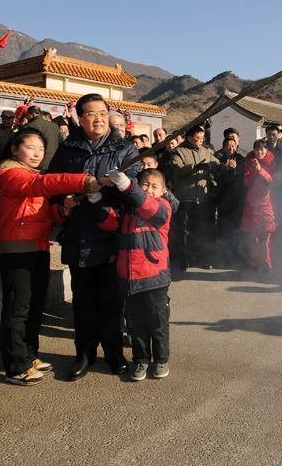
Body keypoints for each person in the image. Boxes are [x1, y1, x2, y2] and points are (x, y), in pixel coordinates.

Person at [0, 129, 100, 386]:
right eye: (30, 147)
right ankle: (16, 366)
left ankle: (29, 355)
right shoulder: (8, 174)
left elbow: (48, 215)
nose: (37, 153)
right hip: (16, 249)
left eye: (41, 149)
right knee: (18, 309)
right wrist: (83, 181)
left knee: (33, 307)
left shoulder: (29, 174)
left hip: (38, 246)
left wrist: (63, 208)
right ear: (15, 149)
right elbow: (41, 185)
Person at [47, 94, 140, 381]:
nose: (98, 119)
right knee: (83, 302)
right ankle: (84, 355)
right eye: (91, 114)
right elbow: (54, 186)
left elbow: (135, 190)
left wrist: (118, 185)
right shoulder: (67, 150)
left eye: (102, 112)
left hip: (112, 237)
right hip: (79, 236)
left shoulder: (124, 149)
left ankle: (114, 354)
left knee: (113, 302)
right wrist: (65, 204)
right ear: (79, 118)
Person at [103, 168, 175, 381]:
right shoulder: (129, 210)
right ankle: (141, 359)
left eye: (155, 186)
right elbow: (108, 223)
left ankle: (161, 359)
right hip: (129, 278)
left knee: (157, 322)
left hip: (154, 277)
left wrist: (129, 187)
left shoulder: (162, 207)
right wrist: (95, 199)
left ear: (163, 191)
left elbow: (149, 206)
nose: (149, 190)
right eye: (145, 184)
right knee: (135, 324)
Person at [170, 125, 220, 271]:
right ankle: (184, 260)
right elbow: (178, 169)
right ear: (189, 137)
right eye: (197, 138)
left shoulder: (206, 151)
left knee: (201, 231)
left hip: (203, 199)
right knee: (184, 232)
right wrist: (195, 167)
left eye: (202, 138)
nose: (200, 140)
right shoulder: (178, 151)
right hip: (185, 199)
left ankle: (202, 259)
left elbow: (215, 163)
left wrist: (223, 165)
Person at [242, 141, 277, 272]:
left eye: (262, 150)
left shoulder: (272, 161)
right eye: (257, 150)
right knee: (253, 236)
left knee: (266, 236)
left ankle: (267, 264)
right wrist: (254, 170)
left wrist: (260, 170)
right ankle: (254, 263)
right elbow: (246, 181)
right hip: (251, 202)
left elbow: (271, 180)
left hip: (266, 201)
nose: (259, 152)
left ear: (267, 150)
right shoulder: (249, 161)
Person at [214, 136, 246, 268]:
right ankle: (224, 256)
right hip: (223, 199)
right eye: (228, 145)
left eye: (233, 145)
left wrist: (236, 168)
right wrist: (225, 167)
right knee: (223, 228)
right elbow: (215, 175)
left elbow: (245, 175)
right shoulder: (218, 159)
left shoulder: (241, 159)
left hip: (238, 199)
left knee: (237, 228)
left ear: (237, 147)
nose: (231, 148)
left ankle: (237, 255)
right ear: (223, 147)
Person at [21, 106, 61, 171]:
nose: (26, 117)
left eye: (27, 115)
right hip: (55, 162)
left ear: (33, 114)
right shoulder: (54, 126)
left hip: (37, 163)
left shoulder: (29, 126)